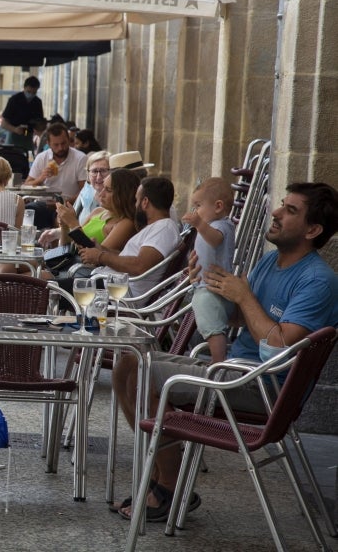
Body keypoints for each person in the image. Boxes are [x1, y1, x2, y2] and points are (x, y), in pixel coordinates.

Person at [112, 182, 338, 521]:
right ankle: (163, 477)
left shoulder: (317, 281)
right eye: (281, 205)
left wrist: (244, 296)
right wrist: (205, 287)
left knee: (145, 374)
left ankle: (169, 488)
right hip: (233, 369)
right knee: (126, 364)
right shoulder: (269, 261)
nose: (275, 213)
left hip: (260, 385)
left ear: (313, 229)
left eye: (290, 211)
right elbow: (241, 316)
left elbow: (280, 346)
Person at [78, 176, 181, 299]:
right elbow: (133, 259)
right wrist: (101, 249)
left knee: (51, 287)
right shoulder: (158, 227)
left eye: (137, 200)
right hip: (110, 286)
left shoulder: (164, 228)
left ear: (145, 202)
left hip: (117, 294)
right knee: (53, 282)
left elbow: (139, 266)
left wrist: (100, 257)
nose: (135, 204)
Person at [181, 177, 236, 363]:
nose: (194, 211)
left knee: (214, 329)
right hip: (204, 286)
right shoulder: (209, 226)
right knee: (209, 324)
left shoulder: (221, 226)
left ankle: (218, 360)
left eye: (198, 205)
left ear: (218, 206)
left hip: (214, 290)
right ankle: (216, 358)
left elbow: (215, 240)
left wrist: (199, 224)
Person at [39, 167, 139, 254]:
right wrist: (65, 226)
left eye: (108, 190)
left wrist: (73, 223)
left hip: (86, 272)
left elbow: (97, 257)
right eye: (103, 187)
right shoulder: (98, 212)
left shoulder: (126, 223)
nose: (101, 194)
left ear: (123, 195)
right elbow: (67, 249)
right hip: (70, 267)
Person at [24, 123, 87, 228]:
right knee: (28, 212)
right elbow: (27, 185)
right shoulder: (42, 158)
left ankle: (56, 243)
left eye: (63, 143)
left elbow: (84, 191)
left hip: (68, 205)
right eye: (56, 145)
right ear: (48, 143)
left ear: (69, 140)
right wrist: (41, 178)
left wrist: (62, 203)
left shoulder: (80, 159)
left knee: (60, 219)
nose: (60, 148)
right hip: (43, 204)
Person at [0, 76, 44, 151]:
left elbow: (40, 122)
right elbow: (3, 123)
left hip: (28, 137)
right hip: (13, 136)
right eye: (28, 92)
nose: (31, 95)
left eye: (34, 93)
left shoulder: (37, 102)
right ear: (24, 88)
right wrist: (15, 129)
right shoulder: (14, 100)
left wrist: (39, 127)